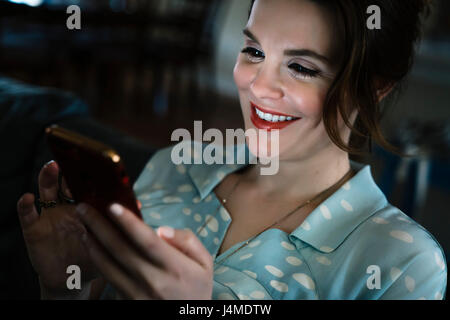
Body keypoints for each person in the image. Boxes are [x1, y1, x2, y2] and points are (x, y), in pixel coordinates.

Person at [17, 0, 447, 300]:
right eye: (254, 51)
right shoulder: (174, 166)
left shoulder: (401, 264)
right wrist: (64, 287)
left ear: (374, 89)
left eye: (301, 67)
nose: (258, 86)